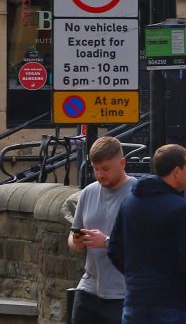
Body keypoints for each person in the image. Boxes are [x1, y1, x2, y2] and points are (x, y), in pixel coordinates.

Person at [108, 144, 186, 324]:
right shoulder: (181, 208)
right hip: (171, 300)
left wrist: (133, 277)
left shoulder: (129, 203)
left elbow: (114, 248)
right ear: (176, 172)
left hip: (136, 297)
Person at [68, 136, 135, 324]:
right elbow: (72, 239)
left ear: (122, 163)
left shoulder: (137, 194)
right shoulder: (88, 192)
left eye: (105, 169)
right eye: (95, 169)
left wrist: (106, 242)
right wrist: (77, 242)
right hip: (89, 288)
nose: (99, 175)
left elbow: (147, 245)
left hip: (124, 292)